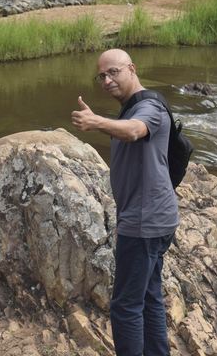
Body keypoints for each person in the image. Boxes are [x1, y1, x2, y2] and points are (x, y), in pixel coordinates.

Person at [71, 48, 179, 356]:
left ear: (131, 69)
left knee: (125, 307)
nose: (106, 80)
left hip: (145, 223)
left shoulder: (148, 108)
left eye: (113, 72)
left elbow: (134, 132)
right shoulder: (132, 106)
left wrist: (96, 122)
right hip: (153, 219)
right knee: (148, 298)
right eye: (101, 75)